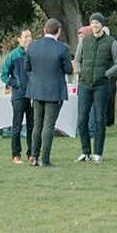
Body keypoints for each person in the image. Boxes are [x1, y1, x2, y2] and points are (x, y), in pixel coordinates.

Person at [73, 12, 117, 163]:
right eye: (92, 23)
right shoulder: (85, 41)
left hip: (102, 85)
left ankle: (98, 153)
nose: (94, 25)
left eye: (97, 23)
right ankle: (85, 151)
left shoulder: (111, 42)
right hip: (85, 84)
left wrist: (106, 74)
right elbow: (77, 60)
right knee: (82, 119)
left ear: (102, 25)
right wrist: (81, 71)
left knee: (100, 119)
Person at [24, 19, 74, 167]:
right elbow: (69, 70)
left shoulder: (32, 46)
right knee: (48, 125)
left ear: (44, 30)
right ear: (58, 31)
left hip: (36, 89)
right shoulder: (62, 48)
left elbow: (27, 66)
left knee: (37, 124)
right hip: (54, 91)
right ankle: (44, 159)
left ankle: (34, 157)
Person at [1, 29, 33, 163]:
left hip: (33, 95)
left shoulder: (34, 54)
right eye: (26, 36)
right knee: (17, 126)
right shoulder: (12, 56)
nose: (28, 39)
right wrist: (17, 83)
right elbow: (3, 75)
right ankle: (16, 154)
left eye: (30, 36)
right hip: (19, 96)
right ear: (19, 39)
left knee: (33, 126)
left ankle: (32, 153)